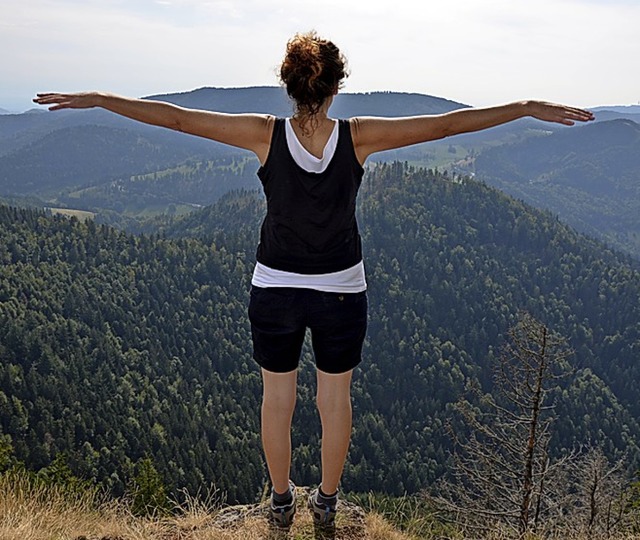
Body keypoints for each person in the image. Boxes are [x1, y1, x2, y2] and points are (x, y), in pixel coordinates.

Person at [33, 30, 594, 529]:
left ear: (289, 86)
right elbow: (446, 125)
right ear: (335, 87)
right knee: (335, 402)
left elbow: (178, 118)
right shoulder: (359, 136)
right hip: (342, 289)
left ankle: (280, 504)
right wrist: (522, 106)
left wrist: (103, 99)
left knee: (276, 402)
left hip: (274, 286)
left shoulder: (262, 133)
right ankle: (326, 503)